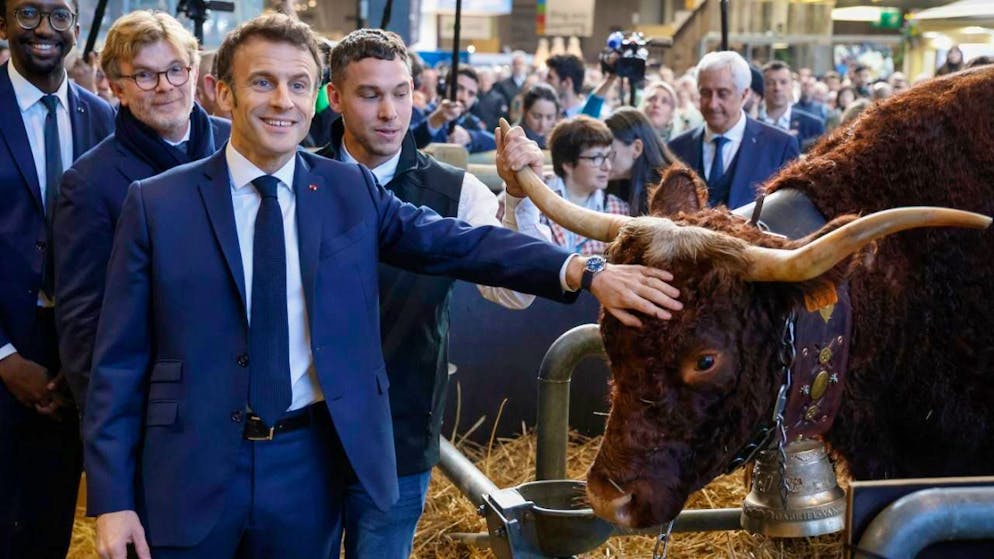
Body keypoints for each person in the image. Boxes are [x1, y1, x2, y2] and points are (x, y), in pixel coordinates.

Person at [84, 13, 682, 559]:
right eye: (262, 82)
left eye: (297, 85)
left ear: (316, 94)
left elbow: (462, 242)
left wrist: (585, 270)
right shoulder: (157, 203)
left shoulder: (348, 191)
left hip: (304, 466)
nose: (282, 102)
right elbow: (117, 365)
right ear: (223, 91)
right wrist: (110, 499)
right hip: (188, 469)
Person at [316, 28, 557, 559]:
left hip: (398, 430)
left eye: (401, 93)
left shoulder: (455, 190)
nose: (390, 111)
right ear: (334, 97)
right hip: (304, 434)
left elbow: (513, 294)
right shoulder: (295, 176)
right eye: (370, 94)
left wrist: (519, 200)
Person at [54, 9, 230, 414]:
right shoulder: (90, 182)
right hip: (159, 410)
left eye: (174, 70)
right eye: (145, 76)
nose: (165, 87)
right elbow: (85, 328)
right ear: (117, 87)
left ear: (193, 70)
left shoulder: (237, 145)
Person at [0, 0, 115, 555]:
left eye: (60, 16)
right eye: (26, 15)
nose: (44, 29)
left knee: (50, 522)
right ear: (2, 25)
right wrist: (1, 355)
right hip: (3, 346)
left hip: (75, 356)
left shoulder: (104, 118)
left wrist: (82, 357)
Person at [668, 51, 799, 210]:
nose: (712, 104)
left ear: (744, 95)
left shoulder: (779, 146)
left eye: (722, 94)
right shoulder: (677, 148)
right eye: (705, 93)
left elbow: (790, 212)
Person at [513, 116, 630, 255]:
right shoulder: (526, 196)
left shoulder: (618, 210)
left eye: (608, 156)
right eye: (596, 158)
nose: (607, 166)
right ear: (567, 163)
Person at [606, 107, 675, 216]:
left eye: (609, 154)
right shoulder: (611, 184)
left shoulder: (672, 189)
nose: (604, 163)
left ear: (637, 148)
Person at [412, 66, 496, 153]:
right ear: (444, 88)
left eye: (471, 93)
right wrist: (436, 120)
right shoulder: (421, 112)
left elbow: (495, 143)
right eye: (459, 88)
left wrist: (469, 137)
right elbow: (408, 140)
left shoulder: (471, 122)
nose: (464, 97)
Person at [759, 60, 824, 151]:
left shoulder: (813, 125)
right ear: (762, 87)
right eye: (770, 83)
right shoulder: (751, 125)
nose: (777, 88)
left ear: (792, 85)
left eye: (783, 82)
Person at [517, 81, 558, 148]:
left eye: (549, 117)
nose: (543, 124)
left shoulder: (559, 142)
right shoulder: (512, 140)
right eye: (537, 116)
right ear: (524, 111)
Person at [545, 53, 585, 118]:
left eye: (550, 77)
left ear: (567, 82)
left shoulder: (589, 115)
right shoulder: (546, 113)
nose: (545, 81)